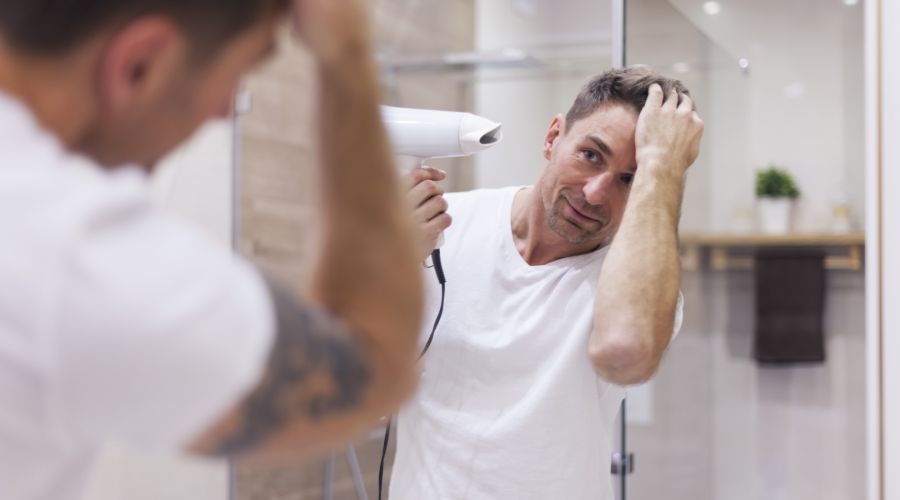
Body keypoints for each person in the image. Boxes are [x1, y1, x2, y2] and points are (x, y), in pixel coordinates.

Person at [0, 1, 425, 499]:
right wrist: (346, 53)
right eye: (241, 70)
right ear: (140, 64)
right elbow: (377, 360)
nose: (225, 111)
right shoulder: (73, 252)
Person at [392, 67, 704, 500]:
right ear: (553, 136)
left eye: (629, 179)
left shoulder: (634, 286)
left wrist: (664, 168)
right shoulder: (440, 227)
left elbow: (625, 352)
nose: (596, 193)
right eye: (591, 155)